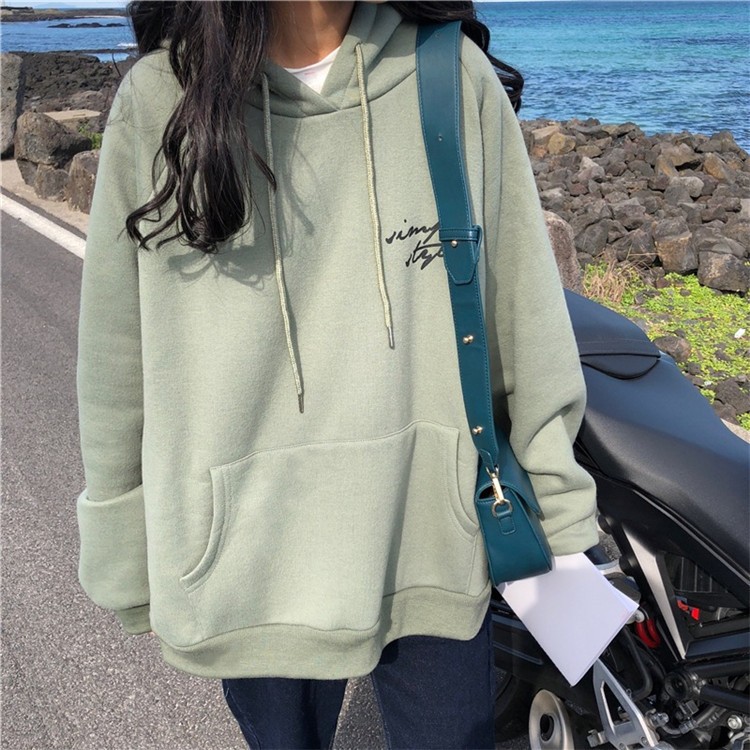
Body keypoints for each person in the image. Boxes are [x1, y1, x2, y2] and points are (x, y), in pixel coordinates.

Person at [76, 2, 599, 747]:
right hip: (248, 562)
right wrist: (124, 546)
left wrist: (563, 517)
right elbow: (115, 356)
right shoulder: (165, 98)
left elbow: (525, 322)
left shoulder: (452, 77)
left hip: (429, 540)